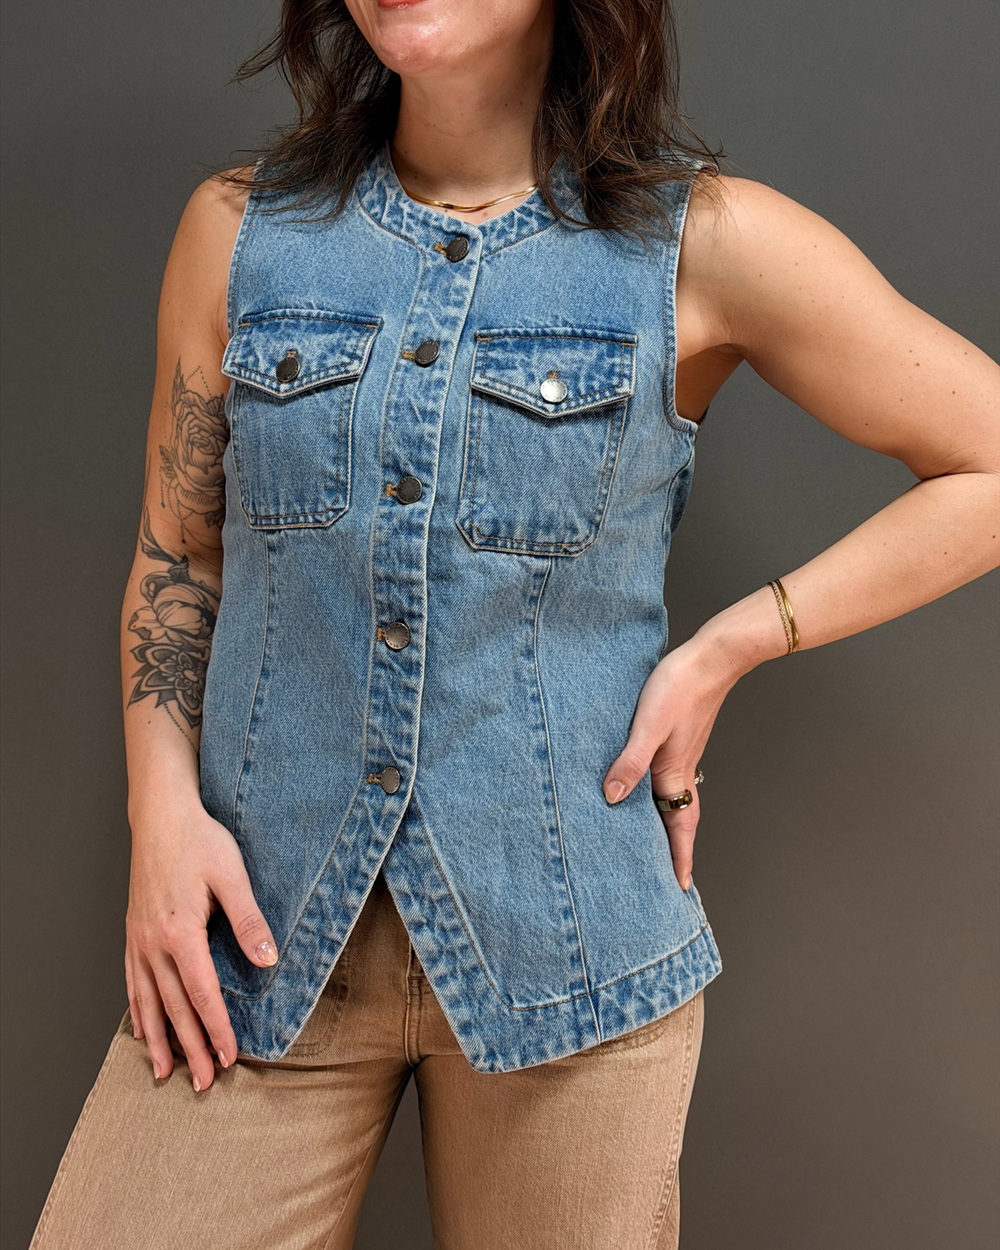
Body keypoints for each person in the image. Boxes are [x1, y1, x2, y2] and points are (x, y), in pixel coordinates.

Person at [29, 0, 998, 1247]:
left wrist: (735, 641)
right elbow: (179, 550)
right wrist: (156, 806)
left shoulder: (695, 243)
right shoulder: (240, 232)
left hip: (577, 954)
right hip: (255, 943)